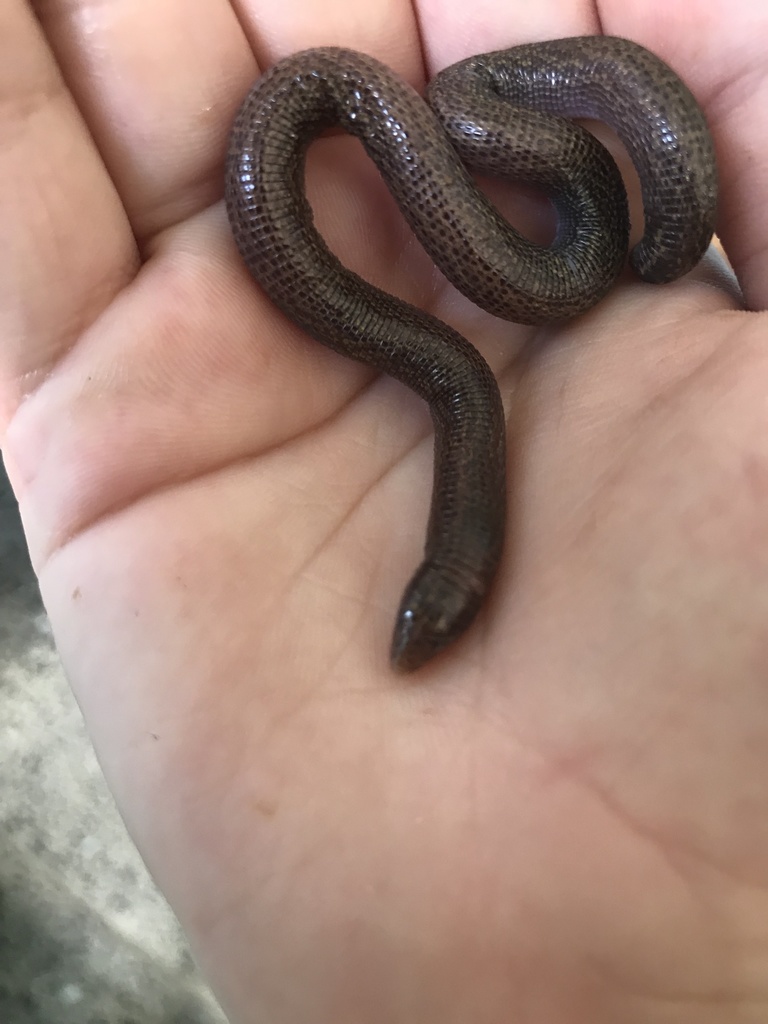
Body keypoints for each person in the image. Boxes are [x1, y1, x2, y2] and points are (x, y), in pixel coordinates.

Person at [2, 0, 765, 1020]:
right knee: (464, 362)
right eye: (442, 603)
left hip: (539, 223)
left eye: (433, 606)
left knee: (475, 354)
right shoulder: (479, 163)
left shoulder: (559, 247)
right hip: (472, 176)